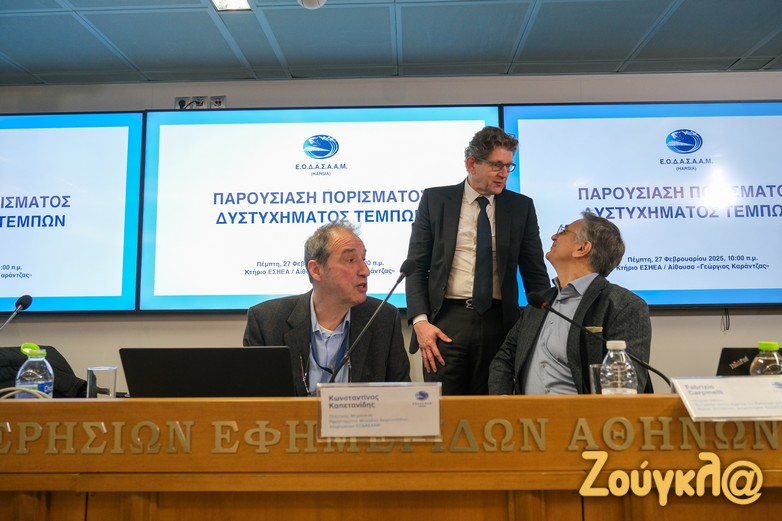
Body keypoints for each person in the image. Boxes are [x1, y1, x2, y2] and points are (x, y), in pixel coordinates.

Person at [405, 126, 550, 395]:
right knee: (445, 411)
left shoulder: (521, 207)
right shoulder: (436, 200)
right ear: (472, 164)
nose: (504, 173)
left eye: (509, 166)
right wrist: (420, 322)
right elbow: (416, 266)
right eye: (497, 165)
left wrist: (539, 329)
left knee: (492, 410)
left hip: (500, 324)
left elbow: (535, 274)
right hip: (445, 322)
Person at [488, 211, 652, 395]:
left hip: (582, 413)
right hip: (525, 413)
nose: (554, 236)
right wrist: (502, 402)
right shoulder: (540, 302)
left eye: (563, 231)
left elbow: (624, 388)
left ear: (582, 248)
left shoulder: (624, 306)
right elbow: (504, 358)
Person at [243, 220, 410, 396]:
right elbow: (254, 400)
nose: (365, 270)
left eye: (364, 259)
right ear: (316, 270)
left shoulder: (383, 318)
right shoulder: (266, 321)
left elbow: (401, 398)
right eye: (351, 260)